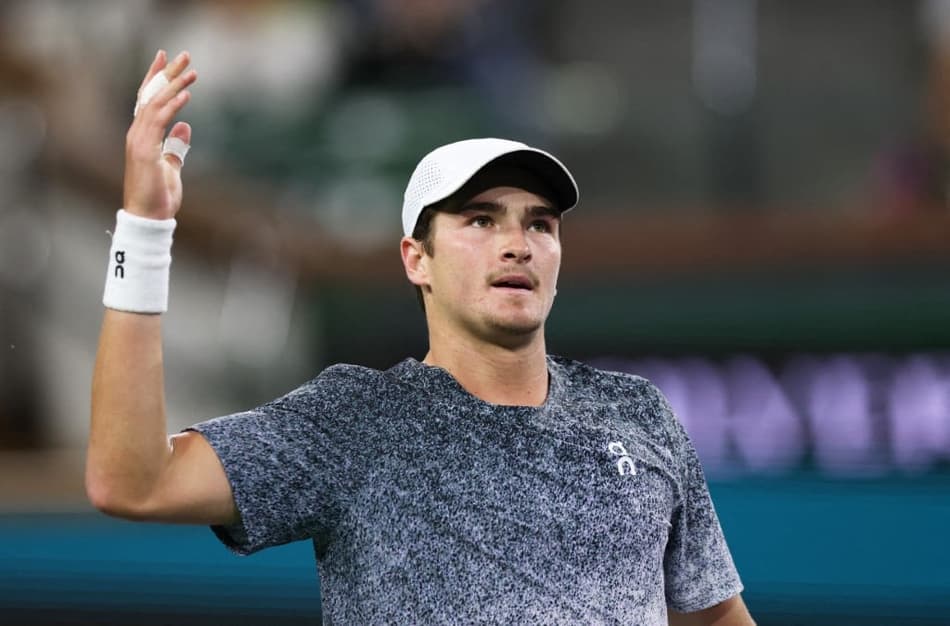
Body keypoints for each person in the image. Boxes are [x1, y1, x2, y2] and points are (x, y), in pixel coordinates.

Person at [87, 50, 755, 626]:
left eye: (539, 224)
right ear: (417, 259)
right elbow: (133, 482)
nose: (517, 245)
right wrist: (145, 229)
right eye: (481, 221)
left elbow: (716, 614)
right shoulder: (354, 422)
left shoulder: (637, 414)